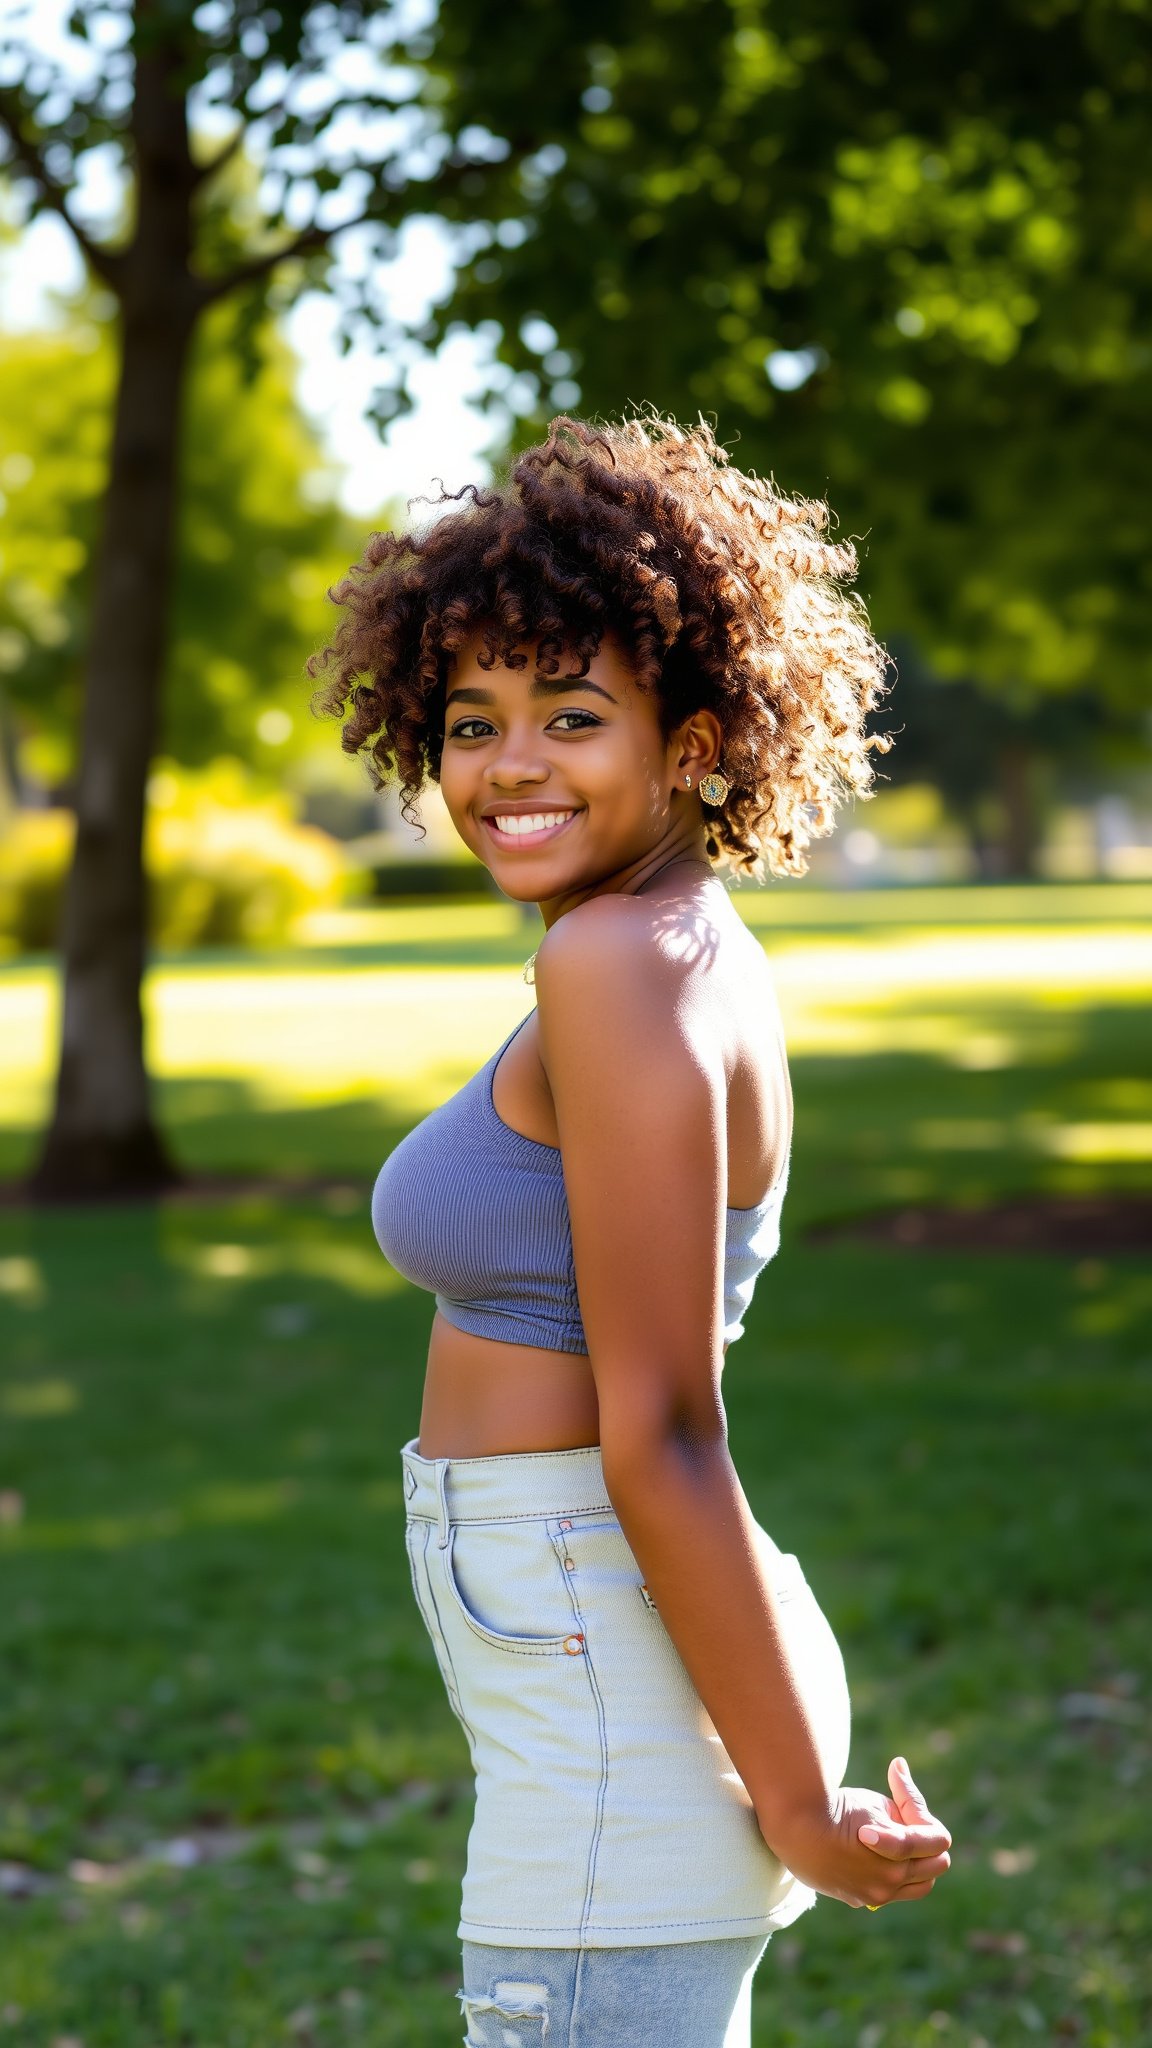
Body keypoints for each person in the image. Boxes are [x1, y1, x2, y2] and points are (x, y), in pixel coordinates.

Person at [310, 413, 953, 2046]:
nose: (509, 764)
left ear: (694, 733)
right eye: (473, 719)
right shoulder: (671, 943)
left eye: (572, 713)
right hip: (603, 1670)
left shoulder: (614, 968)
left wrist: (802, 1806)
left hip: (615, 1681)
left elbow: (662, 1430)